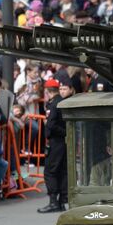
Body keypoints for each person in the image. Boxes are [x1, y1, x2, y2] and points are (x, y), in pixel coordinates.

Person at [38, 78, 66, 213]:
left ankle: (53, 201)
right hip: (63, 142)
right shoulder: (62, 102)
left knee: (50, 171)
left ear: (48, 91)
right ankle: (61, 201)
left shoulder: (53, 104)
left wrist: (50, 131)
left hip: (56, 142)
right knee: (61, 171)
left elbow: (51, 124)